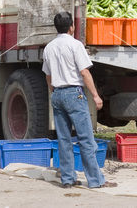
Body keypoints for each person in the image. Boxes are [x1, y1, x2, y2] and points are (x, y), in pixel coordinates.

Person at [42, 11, 117, 189]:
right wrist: (96, 96)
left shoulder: (49, 48)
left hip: (57, 93)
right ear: (71, 27)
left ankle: (68, 179)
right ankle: (95, 180)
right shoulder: (75, 45)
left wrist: (54, 91)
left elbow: (48, 76)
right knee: (86, 139)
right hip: (74, 93)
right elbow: (84, 72)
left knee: (64, 138)